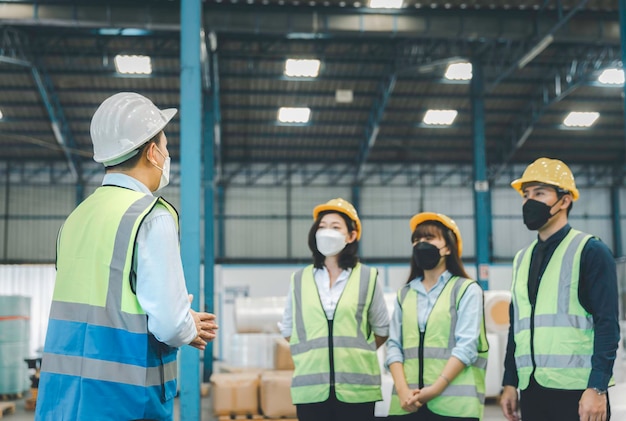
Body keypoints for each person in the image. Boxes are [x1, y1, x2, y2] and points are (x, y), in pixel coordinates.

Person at [35, 92, 218, 421]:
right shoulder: (150, 215)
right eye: (165, 146)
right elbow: (170, 326)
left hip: (62, 400)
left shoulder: (77, 217)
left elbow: (104, 304)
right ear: (152, 153)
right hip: (123, 401)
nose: (167, 154)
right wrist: (187, 324)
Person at [500, 157, 620, 421]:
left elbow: (607, 324)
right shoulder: (522, 259)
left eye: (540, 193)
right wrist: (509, 382)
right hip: (531, 388)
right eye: (525, 194)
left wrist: (597, 387)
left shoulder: (590, 251)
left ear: (564, 200)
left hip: (577, 392)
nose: (529, 201)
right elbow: (516, 328)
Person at [280, 198, 389, 421]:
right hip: (311, 390)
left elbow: (382, 330)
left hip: (357, 390)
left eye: (335, 227)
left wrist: (354, 352)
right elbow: (289, 330)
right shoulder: (299, 279)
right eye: (322, 226)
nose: (326, 231)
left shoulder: (368, 277)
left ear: (351, 236)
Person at [386, 212, 489, 420]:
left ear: (448, 247)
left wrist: (434, 389)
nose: (421, 244)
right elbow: (393, 346)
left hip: (453, 406)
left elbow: (466, 347)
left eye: (429, 238)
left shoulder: (466, 290)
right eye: (416, 240)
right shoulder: (405, 294)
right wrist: (403, 390)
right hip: (407, 404)